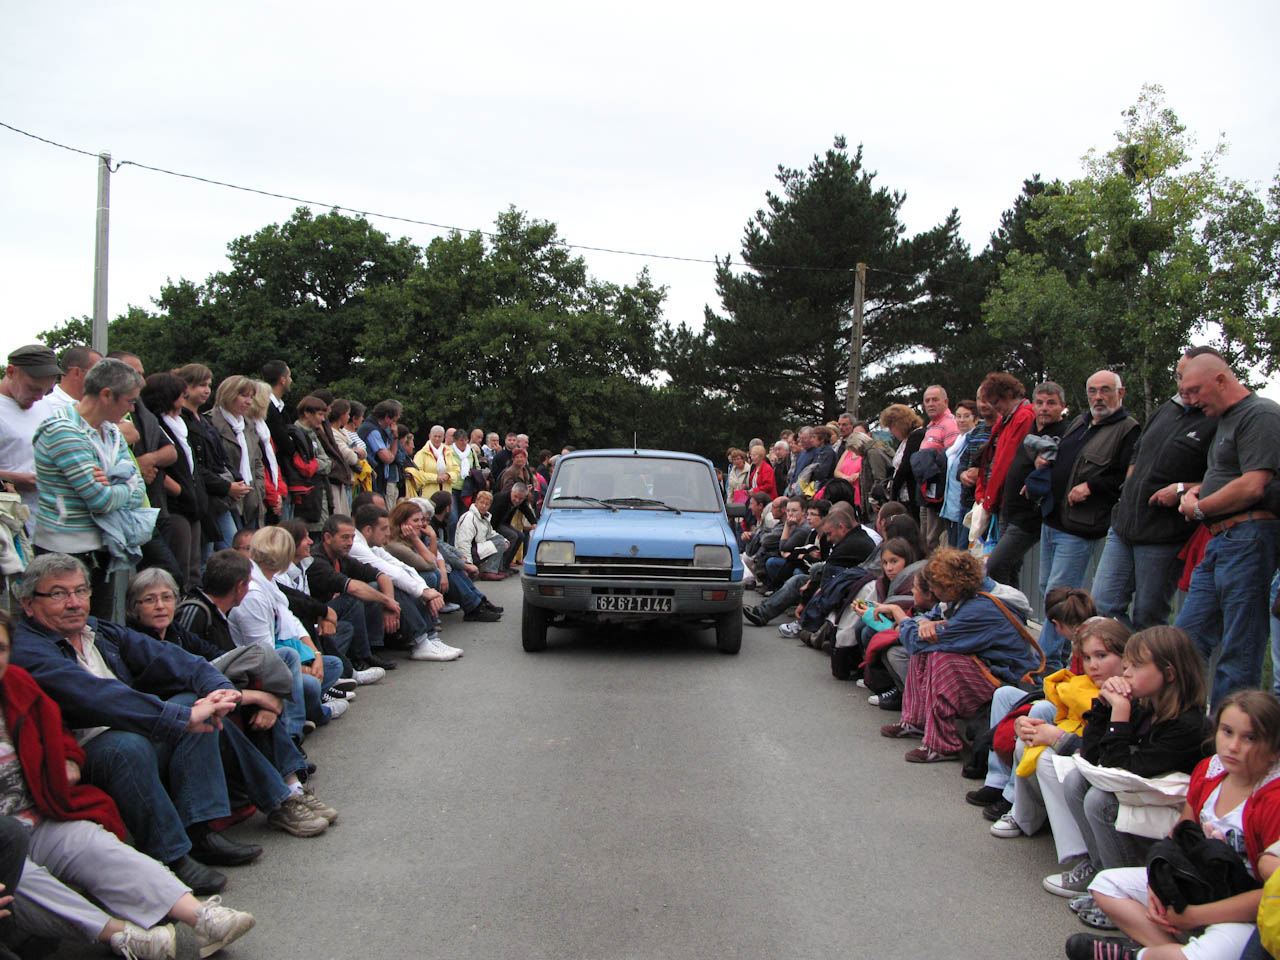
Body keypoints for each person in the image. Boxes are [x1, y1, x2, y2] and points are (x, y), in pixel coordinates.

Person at [0, 608, 256, 959]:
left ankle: (201, 917)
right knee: (23, 875)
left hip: (37, 814)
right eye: (59, 593)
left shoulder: (15, 682)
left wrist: (70, 758)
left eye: (1, 648)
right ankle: (121, 935)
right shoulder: (38, 655)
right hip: (4, 842)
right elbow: (94, 696)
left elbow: (55, 729)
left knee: (94, 845)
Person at [1075, 690, 1280, 960]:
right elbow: (1179, 838)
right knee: (1105, 885)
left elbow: (1269, 896)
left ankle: (1137, 955)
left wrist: (1195, 916)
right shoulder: (1209, 770)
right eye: (1227, 731)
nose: (1233, 746)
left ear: (1274, 749)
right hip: (1201, 882)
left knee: (1206, 955)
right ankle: (1167, 952)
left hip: (1244, 909)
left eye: (1250, 738)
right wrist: (1158, 884)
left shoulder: (1273, 797)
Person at [1042, 626, 1209, 904]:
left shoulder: (1188, 725)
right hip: (1143, 797)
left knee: (1099, 800)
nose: (1126, 673)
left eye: (1136, 666)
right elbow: (1091, 757)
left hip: (1173, 813)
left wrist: (1119, 712)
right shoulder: (1146, 706)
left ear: (1169, 674)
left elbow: (1119, 771)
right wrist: (1104, 706)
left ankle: (1121, 894)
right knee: (1075, 780)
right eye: (1127, 665)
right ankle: (1099, 872)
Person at [1175, 351, 1280, 706]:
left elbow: (1253, 485)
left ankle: (1229, 731)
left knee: (1240, 647)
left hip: (1248, 537)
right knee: (1185, 639)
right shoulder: (1225, 420)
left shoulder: (1260, 414)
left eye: (1195, 390)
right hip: (1222, 539)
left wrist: (1199, 507)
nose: (1191, 399)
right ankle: (1183, 723)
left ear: (1221, 380)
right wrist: (1197, 492)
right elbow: (1226, 476)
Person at [1092, 349, 1220, 632]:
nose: (1183, 385)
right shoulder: (1167, 409)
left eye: (1190, 378)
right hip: (1124, 525)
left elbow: (1223, 476)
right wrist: (1130, 484)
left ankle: (1147, 658)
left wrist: (1182, 489)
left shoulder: (1216, 419)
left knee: (1148, 618)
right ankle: (1123, 657)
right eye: (1179, 376)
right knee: (1102, 607)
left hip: (1164, 535)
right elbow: (1138, 451)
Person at [877, 548, 1040, 763]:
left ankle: (942, 745)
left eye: (936, 589)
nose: (934, 594)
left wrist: (900, 615)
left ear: (949, 586)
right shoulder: (968, 593)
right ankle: (915, 721)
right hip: (990, 668)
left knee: (940, 656)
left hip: (1008, 681)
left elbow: (915, 641)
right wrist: (923, 622)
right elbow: (930, 618)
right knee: (929, 644)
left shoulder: (980, 608)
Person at [987, 614, 1128, 841]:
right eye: (1087, 658)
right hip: (1084, 754)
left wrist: (1058, 737)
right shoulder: (1082, 684)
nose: (1093, 665)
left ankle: (1077, 850)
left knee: (1049, 759)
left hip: (1105, 776)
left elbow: (1099, 755)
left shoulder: (1128, 693)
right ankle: (1016, 808)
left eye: (1102, 656)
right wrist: (1023, 723)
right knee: (1027, 728)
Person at [30, 358, 151, 621]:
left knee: (97, 631)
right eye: (129, 401)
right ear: (106, 394)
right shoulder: (62, 430)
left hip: (103, 547)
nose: (132, 408)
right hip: (63, 551)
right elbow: (100, 499)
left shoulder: (112, 432)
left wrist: (117, 484)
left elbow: (139, 489)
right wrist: (124, 484)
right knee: (64, 628)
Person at [984, 382, 1069, 585]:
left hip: (1029, 514)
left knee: (996, 565)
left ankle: (1006, 603)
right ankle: (1011, 606)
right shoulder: (1033, 429)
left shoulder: (1064, 433)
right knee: (1010, 568)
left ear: (1062, 406)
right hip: (1009, 508)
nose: (1044, 408)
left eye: (1051, 403)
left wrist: (1045, 469)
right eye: (1039, 403)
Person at [142, 373, 207, 593]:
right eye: (180, 396)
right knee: (180, 567)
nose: (183, 400)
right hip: (175, 506)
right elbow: (157, 468)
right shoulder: (156, 425)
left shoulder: (180, 425)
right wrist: (179, 491)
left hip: (192, 505)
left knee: (194, 567)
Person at [0, 345, 61, 533]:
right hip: (8, 527)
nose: (39, 397)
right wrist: (13, 479)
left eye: (46, 391)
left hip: (45, 525)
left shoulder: (44, 405)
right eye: (33, 389)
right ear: (11, 372)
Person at [919, 385, 961, 549]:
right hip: (927, 491)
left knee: (934, 539)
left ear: (946, 402)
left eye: (935, 400)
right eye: (927, 401)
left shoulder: (950, 424)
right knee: (925, 537)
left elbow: (951, 458)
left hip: (939, 493)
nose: (930, 404)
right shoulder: (932, 426)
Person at [455, 490, 509, 581]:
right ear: (476, 502)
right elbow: (463, 543)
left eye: (487, 504)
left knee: (501, 540)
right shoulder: (469, 517)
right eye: (481, 502)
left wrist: (505, 541)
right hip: (470, 552)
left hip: (478, 548)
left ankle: (497, 569)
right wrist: (468, 564)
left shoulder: (485, 517)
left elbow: (490, 533)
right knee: (500, 543)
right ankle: (489, 571)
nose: (483, 506)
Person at [45, 345, 102, 410]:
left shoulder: (96, 408)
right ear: (77, 372)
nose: (103, 379)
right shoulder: (49, 408)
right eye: (98, 373)